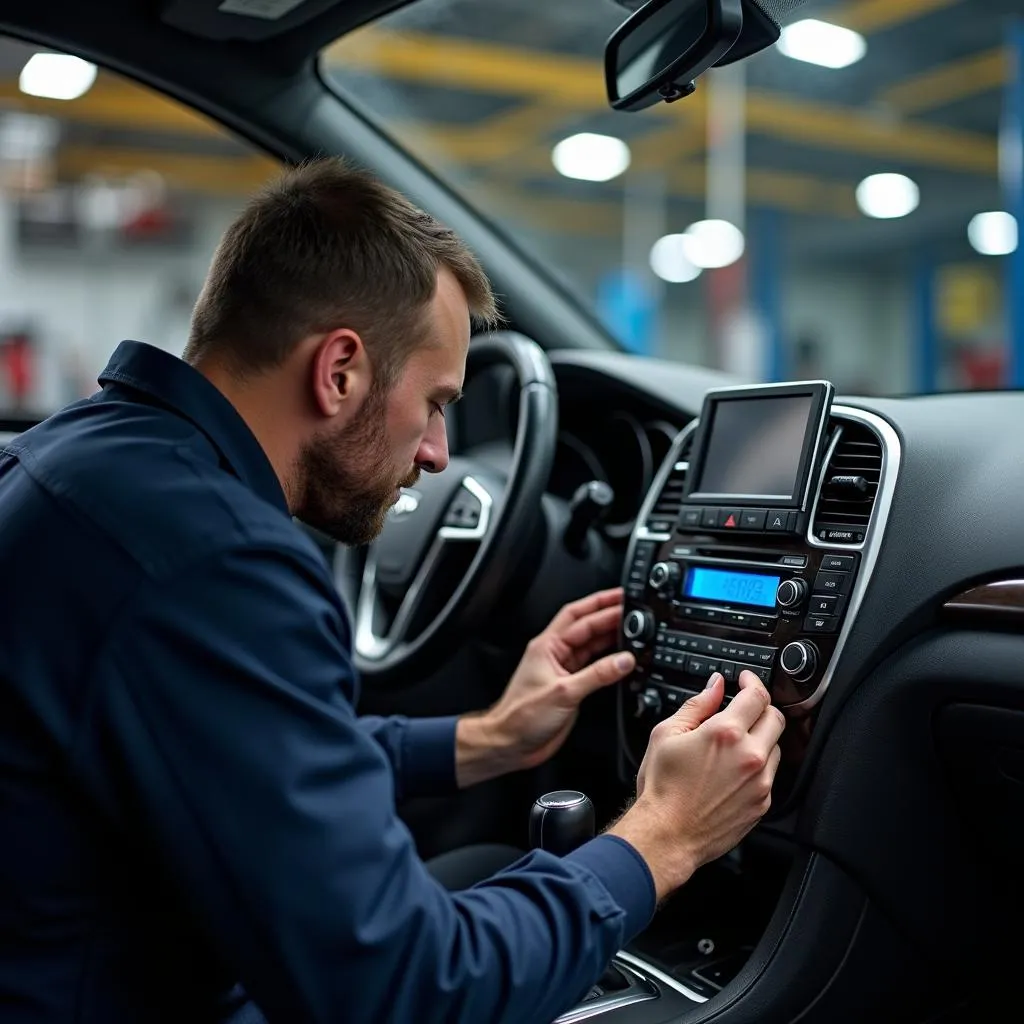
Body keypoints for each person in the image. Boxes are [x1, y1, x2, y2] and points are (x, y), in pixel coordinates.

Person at [0, 158, 784, 1024]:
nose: (440, 453)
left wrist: (481, 740)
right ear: (339, 371)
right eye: (437, 401)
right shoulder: (217, 562)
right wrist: (663, 836)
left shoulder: (83, 459)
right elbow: (406, 989)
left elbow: (238, 755)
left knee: (487, 866)